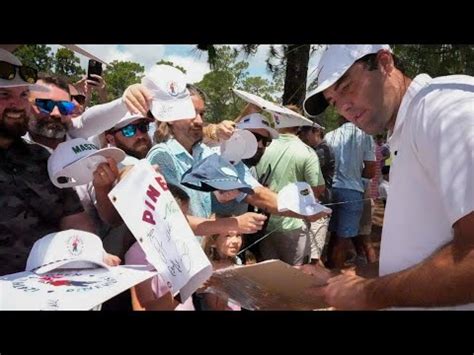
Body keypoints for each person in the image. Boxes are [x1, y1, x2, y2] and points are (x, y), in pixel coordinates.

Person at [303, 44, 474, 309]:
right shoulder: (408, 125)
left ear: (385, 63)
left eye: (347, 87)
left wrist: (370, 293)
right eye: (334, 102)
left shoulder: (445, 109)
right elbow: (414, 257)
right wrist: (340, 279)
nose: (344, 108)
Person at [0, 48, 95, 276]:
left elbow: (75, 221)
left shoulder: (42, 158)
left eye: (23, 95)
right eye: (4, 95)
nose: (17, 104)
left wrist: (93, 254)